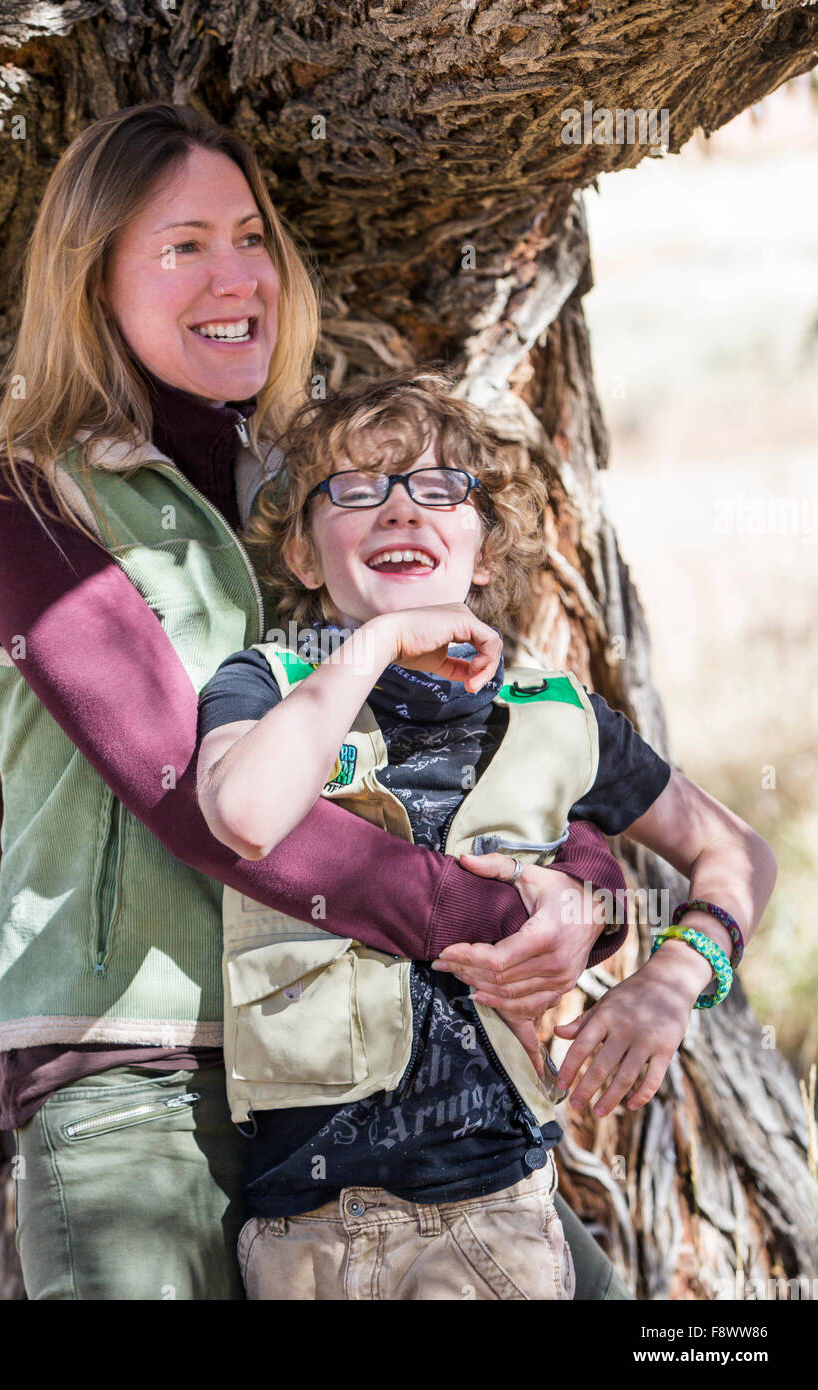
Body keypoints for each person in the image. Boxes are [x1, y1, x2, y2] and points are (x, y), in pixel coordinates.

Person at [0, 101, 633, 1301]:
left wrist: (584, 899)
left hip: (360, 1062)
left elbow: (470, 747)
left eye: (250, 235)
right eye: (182, 245)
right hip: (139, 1072)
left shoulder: (321, 494)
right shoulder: (28, 504)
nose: (235, 275)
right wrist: (484, 916)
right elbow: (193, 801)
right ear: (90, 282)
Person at [195, 367, 778, 1301]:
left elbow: (736, 851)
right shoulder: (264, 684)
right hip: (304, 1226)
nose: (398, 510)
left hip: (494, 1210)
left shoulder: (556, 711)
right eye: (353, 489)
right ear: (303, 556)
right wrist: (377, 645)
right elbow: (246, 814)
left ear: (484, 551)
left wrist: (672, 983)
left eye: (437, 489)